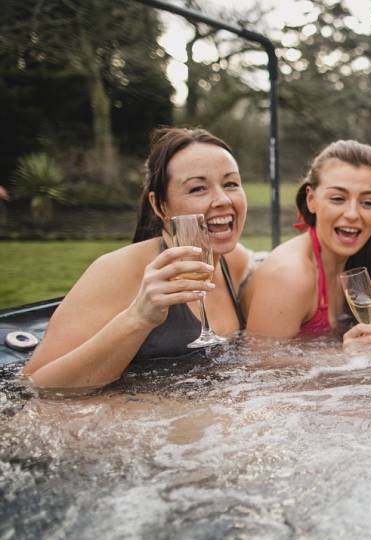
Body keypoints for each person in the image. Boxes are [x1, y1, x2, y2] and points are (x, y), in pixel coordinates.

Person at [22, 128, 253, 389]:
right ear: (159, 205)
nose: (222, 199)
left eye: (231, 183)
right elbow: (33, 384)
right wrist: (138, 318)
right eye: (197, 188)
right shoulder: (117, 271)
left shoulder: (235, 263)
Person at [245, 140, 371, 349]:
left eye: (367, 202)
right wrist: (341, 359)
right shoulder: (289, 275)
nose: (352, 214)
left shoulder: (363, 262)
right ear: (311, 200)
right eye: (338, 198)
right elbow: (258, 364)